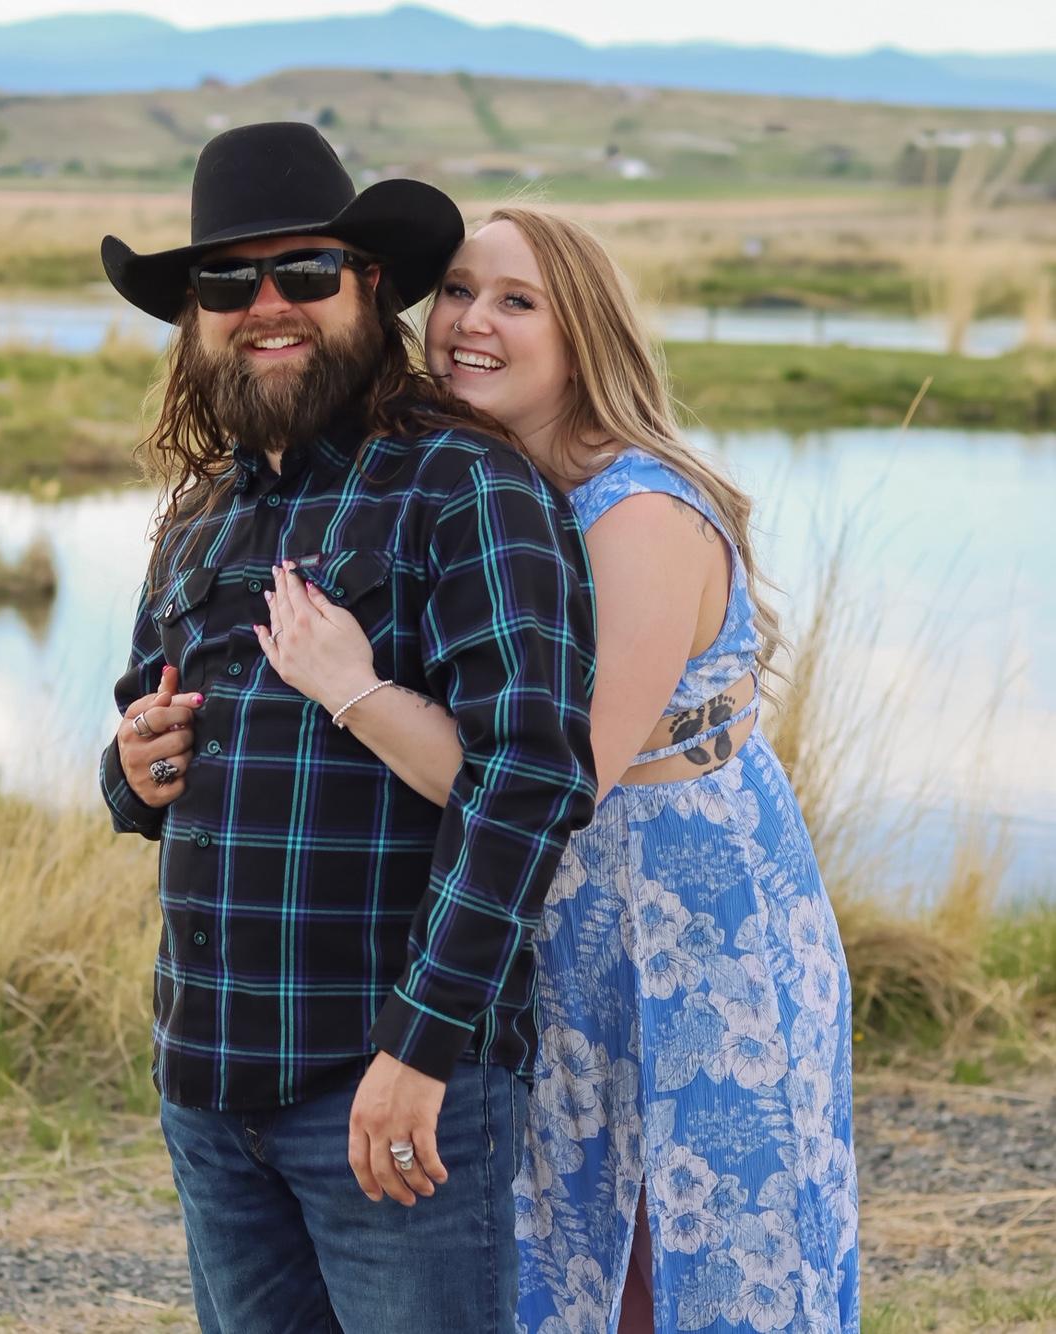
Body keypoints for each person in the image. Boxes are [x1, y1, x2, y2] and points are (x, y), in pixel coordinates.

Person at [261, 207, 859, 1333]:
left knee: (678, 1249)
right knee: (561, 1242)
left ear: (582, 336)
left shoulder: (637, 514)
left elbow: (549, 782)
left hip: (685, 926)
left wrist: (350, 686)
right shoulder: (485, 493)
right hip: (553, 920)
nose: (469, 322)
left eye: (516, 301)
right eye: (455, 292)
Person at [96, 125, 598, 1334]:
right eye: (228, 282)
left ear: (369, 286)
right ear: (196, 318)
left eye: (304, 272)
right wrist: (130, 771)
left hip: (388, 1081)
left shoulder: (464, 486)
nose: (265, 304)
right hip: (209, 1082)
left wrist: (420, 1050)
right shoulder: (201, 515)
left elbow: (528, 780)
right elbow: (146, 735)